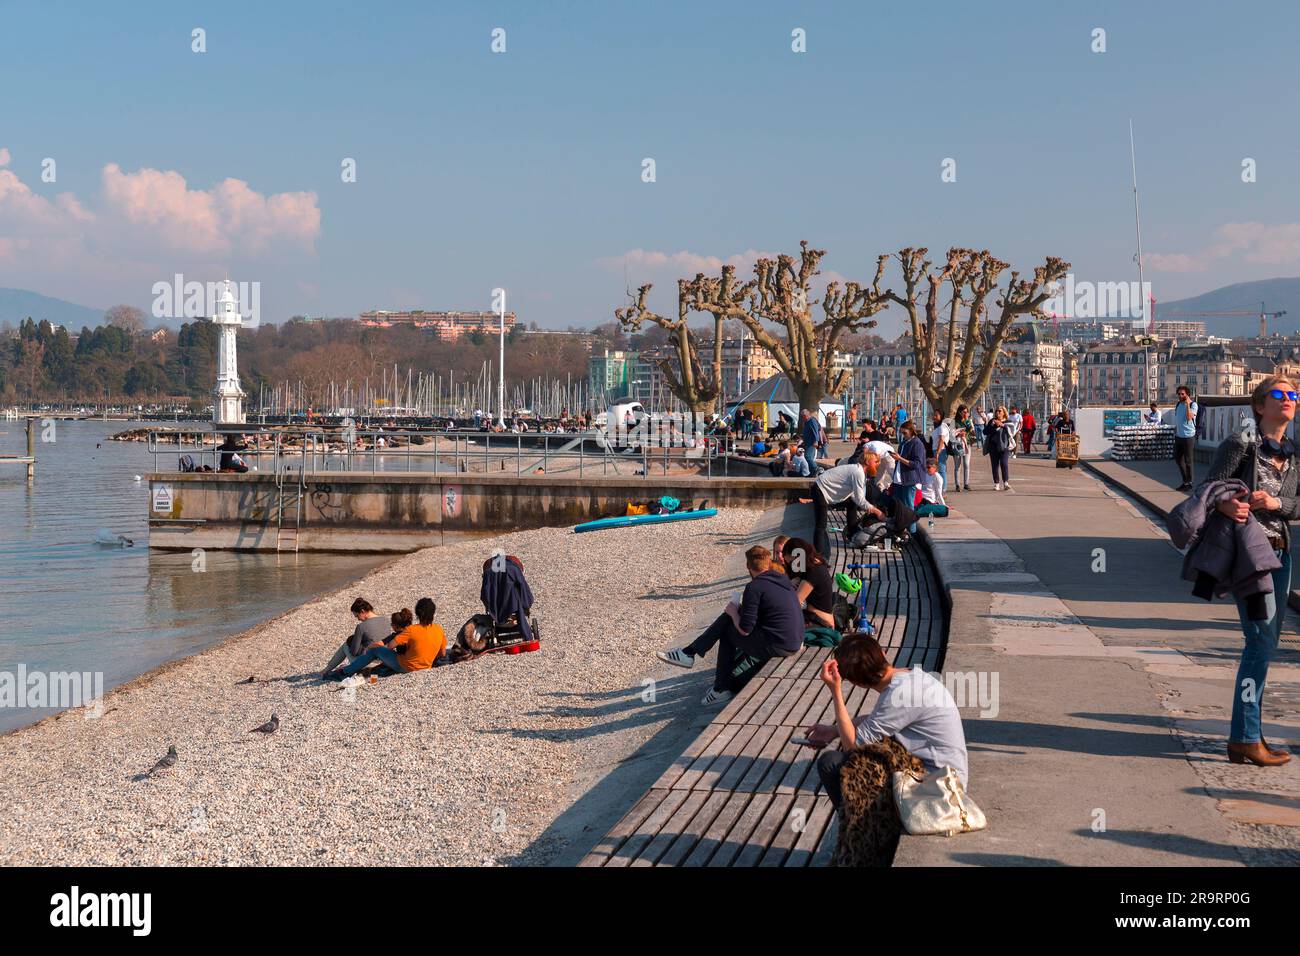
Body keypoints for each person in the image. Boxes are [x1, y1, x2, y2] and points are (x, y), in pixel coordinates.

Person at [1201, 375, 1298, 766]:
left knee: (1266, 646)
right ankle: (1244, 736)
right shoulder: (1240, 445)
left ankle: (1248, 734)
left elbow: (1296, 504)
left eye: (1293, 394)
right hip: (1248, 557)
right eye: (1279, 393)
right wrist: (1226, 505)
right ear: (1259, 406)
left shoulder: (1294, 453)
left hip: (1281, 556)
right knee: (1258, 643)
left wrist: (1275, 505)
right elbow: (1204, 490)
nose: (1288, 398)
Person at [801, 632, 969, 820]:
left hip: (940, 790)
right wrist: (833, 731)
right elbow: (877, 721)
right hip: (944, 777)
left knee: (831, 763)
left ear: (856, 682)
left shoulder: (900, 694)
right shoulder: (910, 678)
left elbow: (853, 748)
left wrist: (836, 691)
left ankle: (859, 834)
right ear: (883, 653)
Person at [656, 545, 805, 706]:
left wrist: (734, 613)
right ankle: (691, 655)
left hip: (780, 645)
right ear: (768, 564)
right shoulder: (781, 579)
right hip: (795, 640)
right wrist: (737, 612)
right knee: (729, 619)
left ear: (748, 567)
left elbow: (745, 630)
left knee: (727, 631)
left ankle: (718, 686)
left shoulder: (754, 587)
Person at [327, 597, 446, 679]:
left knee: (376, 650)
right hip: (426, 666)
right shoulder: (439, 629)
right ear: (433, 613)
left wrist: (372, 647)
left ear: (417, 613)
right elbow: (442, 653)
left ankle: (344, 672)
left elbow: (390, 646)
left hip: (407, 666)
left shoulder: (411, 630)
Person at [811, 453, 886, 558]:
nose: (878, 464)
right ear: (868, 462)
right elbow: (860, 499)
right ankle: (818, 556)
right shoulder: (858, 472)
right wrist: (877, 511)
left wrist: (869, 508)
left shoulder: (858, 471)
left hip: (823, 489)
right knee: (821, 524)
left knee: (851, 503)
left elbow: (855, 497)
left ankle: (852, 533)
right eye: (876, 462)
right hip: (820, 490)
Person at [321, 597, 392, 677]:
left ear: (362, 611)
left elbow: (354, 652)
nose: (358, 619)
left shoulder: (361, 626)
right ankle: (328, 668)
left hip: (368, 663)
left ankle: (327, 669)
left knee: (345, 646)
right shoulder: (385, 620)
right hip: (386, 661)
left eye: (357, 616)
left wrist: (352, 641)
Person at [780, 537, 836, 629]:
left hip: (821, 622)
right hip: (818, 618)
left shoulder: (813, 572)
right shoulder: (816, 564)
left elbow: (796, 602)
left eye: (791, 562)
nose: (792, 566)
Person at [481, 553, 535, 642]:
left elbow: (484, 594)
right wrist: (526, 602)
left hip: (496, 607)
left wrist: (488, 606)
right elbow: (522, 585)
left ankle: (497, 632)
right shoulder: (514, 569)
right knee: (516, 597)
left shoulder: (488, 573)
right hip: (514, 605)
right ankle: (526, 634)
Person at [891, 421, 928, 531]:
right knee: (898, 506)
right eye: (902, 433)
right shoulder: (904, 443)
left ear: (912, 432)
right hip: (899, 479)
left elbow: (917, 464)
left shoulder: (917, 443)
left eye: (905, 433)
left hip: (909, 479)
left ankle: (912, 532)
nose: (903, 435)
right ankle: (900, 529)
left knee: (908, 507)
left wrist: (900, 459)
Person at [1173, 385, 1199, 491]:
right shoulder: (1178, 404)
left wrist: (1188, 404)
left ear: (1187, 394)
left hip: (1188, 436)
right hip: (1179, 436)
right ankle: (1185, 481)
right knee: (1178, 459)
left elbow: (1189, 417)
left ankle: (1189, 482)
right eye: (1179, 394)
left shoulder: (1193, 405)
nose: (1180, 395)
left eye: (1182, 394)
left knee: (1188, 461)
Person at [984, 405, 1014, 490]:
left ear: (1004, 413)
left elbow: (1012, 431)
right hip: (993, 446)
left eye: (1000, 411)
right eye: (996, 411)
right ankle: (996, 483)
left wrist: (1002, 425)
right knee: (995, 465)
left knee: (1004, 464)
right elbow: (985, 432)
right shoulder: (992, 421)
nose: (997, 412)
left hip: (1004, 446)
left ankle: (1006, 482)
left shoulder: (1008, 421)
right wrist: (992, 426)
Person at [951, 405, 974, 492]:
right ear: (959, 412)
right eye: (964, 412)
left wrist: (967, 420)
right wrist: (958, 434)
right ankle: (957, 484)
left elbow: (971, 430)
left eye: (966, 412)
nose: (965, 413)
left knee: (966, 464)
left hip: (966, 444)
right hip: (957, 445)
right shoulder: (954, 421)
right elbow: (951, 434)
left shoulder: (968, 421)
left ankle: (966, 484)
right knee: (957, 465)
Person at [800, 409, 824, 476]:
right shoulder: (806, 422)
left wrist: (816, 441)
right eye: (802, 416)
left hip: (812, 443)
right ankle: (812, 472)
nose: (802, 418)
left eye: (803, 416)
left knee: (808, 456)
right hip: (808, 442)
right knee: (807, 457)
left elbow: (815, 431)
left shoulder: (812, 421)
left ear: (807, 415)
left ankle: (817, 469)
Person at [928, 410, 949, 483]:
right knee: (938, 471)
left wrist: (937, 453)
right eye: (934, 415)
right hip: (936, 450)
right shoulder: (938, 426)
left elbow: (941, 440)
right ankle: (940, 490)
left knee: (941, 471)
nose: (934, 417)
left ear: (941, 416)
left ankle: (943, 490)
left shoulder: (942, 426)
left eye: (936, 415)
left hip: (941, 451)